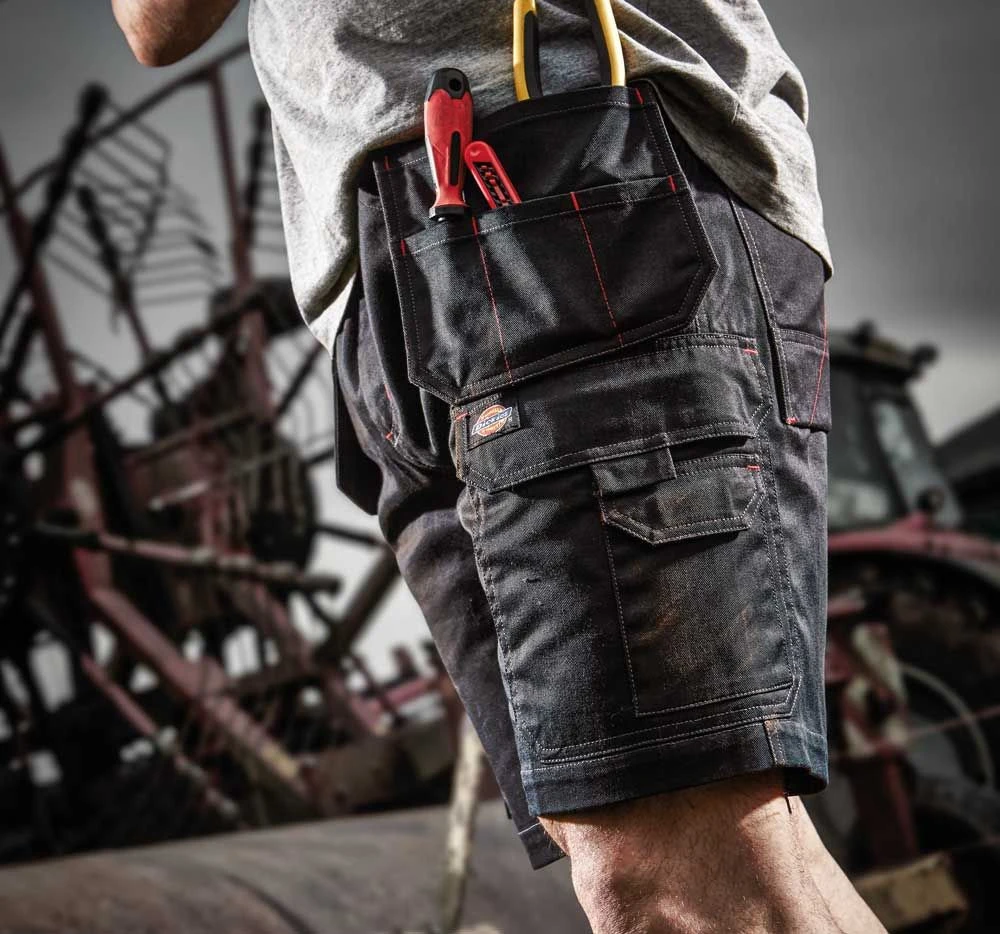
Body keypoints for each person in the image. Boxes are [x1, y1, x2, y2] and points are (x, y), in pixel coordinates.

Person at [113, 2, 888, 931]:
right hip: (400, 270)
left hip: (564, 195)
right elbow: (156, 25)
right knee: (719, 856)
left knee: (664, 870)